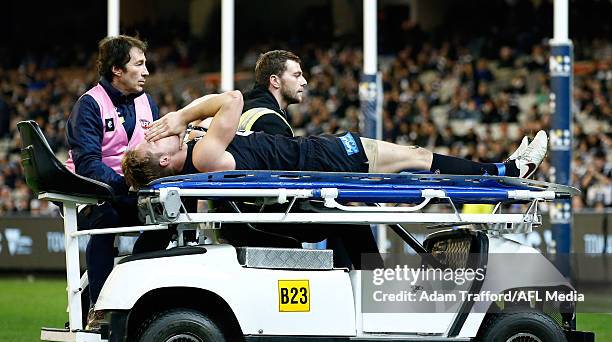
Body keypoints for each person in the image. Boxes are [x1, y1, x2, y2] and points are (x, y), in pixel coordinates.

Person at [122, 92, 548, 191]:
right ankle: (506, 172)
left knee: (417, 160)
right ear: (162, 163)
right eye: (153, 143)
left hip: (317, 155)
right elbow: (232, 98)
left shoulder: (196, 155)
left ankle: (500, 170)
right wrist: (179, 117)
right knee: (418, 159)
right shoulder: (203, 154)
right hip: (322, 158)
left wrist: (181, 126)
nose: (158, 133)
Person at [228, 50, 380, 269]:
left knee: (340, 213)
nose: (304, 81)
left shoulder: (248, 110)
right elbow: (286, 183)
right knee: (350, 216)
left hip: (243, 217)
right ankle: (377, 280)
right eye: (297, 75)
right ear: (275, 81)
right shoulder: (270, 121)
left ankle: (349, 280)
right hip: (262, 221)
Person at [65, 35, 171, 325]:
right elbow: (88, 166)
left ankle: (130, 288)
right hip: (91, 196)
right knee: (106, 217)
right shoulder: (89, 105)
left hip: (133, 193)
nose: (147, 71)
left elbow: (163, 150)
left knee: (166, 222)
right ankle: (98, 307)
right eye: (139, 64)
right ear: (117, 70)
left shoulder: (148, 102)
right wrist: (129, 186)